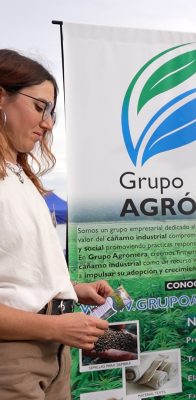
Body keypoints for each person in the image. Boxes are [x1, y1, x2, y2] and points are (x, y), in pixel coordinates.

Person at [0, 49, 111, 399]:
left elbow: (15, 272)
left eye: (52, 112)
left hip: (53, 353)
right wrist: (53, 326)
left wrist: (70, 289)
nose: (48, 123)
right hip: (14, 359)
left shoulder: (19, 175)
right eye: (39, 107)